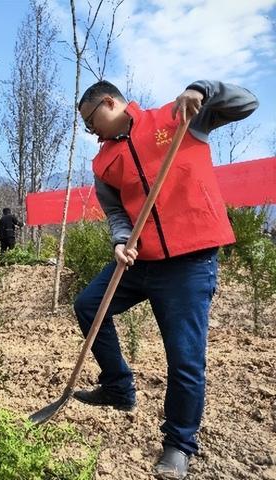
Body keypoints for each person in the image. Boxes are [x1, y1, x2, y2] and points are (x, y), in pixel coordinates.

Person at [70, 80, 258, 479]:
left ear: (109, 102)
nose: (91, 133)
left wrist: (202, 90)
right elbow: (118, 214)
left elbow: (248, 103)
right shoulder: (103, 163)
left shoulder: (176, 118)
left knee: (184, 359)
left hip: (189, 261)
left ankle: (179, 443)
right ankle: (119, 387)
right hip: (141, 261)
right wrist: (121, 242)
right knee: (88, 306)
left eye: (91, 122)